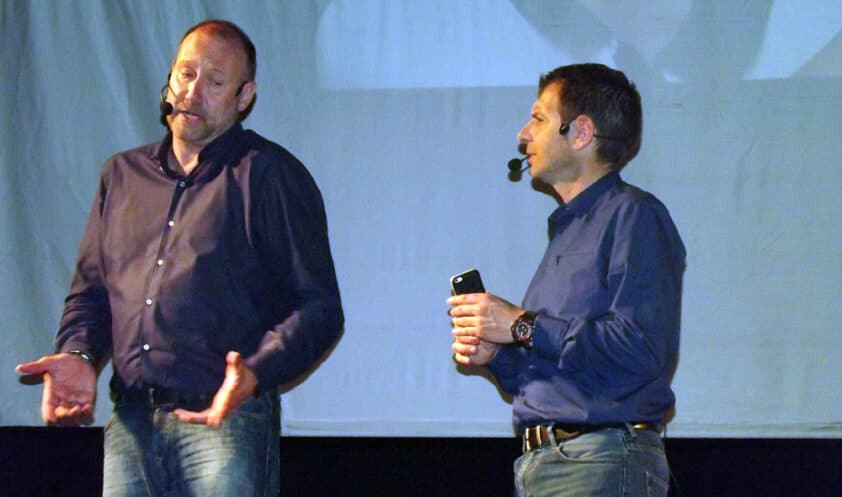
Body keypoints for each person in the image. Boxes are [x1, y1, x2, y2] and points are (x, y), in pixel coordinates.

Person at [16, 19, 343, 496]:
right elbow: (91, 294)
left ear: (244, 96)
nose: (193, 91)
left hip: (224, 422)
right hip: (130, 423)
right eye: (186, 73)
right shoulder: (122, 176)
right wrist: (79, 354)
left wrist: (255, 371)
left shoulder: (269, 176)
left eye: (214, 82)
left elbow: (320, 307)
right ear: (170, 75)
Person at [448, 63, 685, 497]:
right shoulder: (567, 230)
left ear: (580, 133)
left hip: (600, 463)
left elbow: (642, 349)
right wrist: (497, 354)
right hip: (550, 466)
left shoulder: (634, 216)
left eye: (538, 118)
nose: (523, 134)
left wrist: (520, 324)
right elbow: (557, 368)